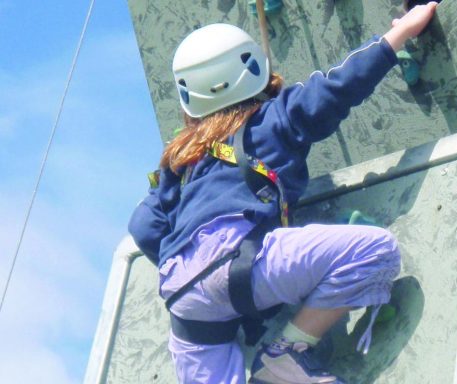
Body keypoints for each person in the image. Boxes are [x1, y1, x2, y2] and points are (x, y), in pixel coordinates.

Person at [128, 2, 438, 383]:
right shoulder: (274, 118)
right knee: (375, 251)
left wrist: (199, 270)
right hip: (241, 264)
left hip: (183, 299)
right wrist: (399, 34)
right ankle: (286, 354)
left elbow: (144, 226)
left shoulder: (181, 158)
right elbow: (339, 87)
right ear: (253, 67)